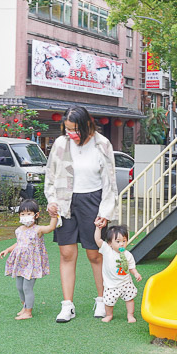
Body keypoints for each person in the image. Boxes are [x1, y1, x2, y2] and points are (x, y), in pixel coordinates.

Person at [44, 105, 119, 323]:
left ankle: (102, 300)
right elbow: (50, 175)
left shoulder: (102, 144)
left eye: (75, 129)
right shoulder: (60, 143)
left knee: (95, 254)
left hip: (93, 201)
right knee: (67, 254)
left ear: (87, 125)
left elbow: (110, 182)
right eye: (67, 129)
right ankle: (67, 305)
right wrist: (51, 201)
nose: (71, 134)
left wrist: (105, 212)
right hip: (66, 202)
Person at [0, 199, 54, 320]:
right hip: (20, 263)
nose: (25, 217)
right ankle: (24, 307)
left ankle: (28, 312)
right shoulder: (19, 230)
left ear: (36, 215)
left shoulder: (38, 229)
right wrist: (8, 250)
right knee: (19, 287)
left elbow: (51, 227)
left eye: (28, 214)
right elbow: (19, 243)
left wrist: (54, 216)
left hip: (32, 263)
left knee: (27, 288)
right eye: (22, 214)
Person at [93, 223, 142, 323]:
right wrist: (98, 228)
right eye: (118, 241)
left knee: (129, 299)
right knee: (109, 302)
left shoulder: (128, 255)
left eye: (124, 241)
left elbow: (131, 267)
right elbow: (98, 240)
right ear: (110, 243)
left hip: (126, 282)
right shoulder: (107, 251)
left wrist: (136, 273)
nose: (122, 244)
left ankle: (130, 315)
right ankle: (109, 315)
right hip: (111, 285)